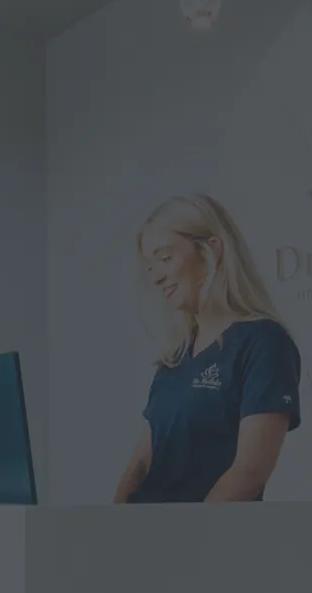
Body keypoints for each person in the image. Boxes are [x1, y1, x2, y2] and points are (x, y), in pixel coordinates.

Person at [113, 194, 302, 504]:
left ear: (211, 250)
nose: (157, 276)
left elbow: (249, 472)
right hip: (144, 540)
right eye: (150, 267)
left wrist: (186, 544)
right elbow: (138, 466)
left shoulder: (263, 342)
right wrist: (107, 534)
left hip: (205, 543)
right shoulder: (174, 359)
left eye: (165, 258)